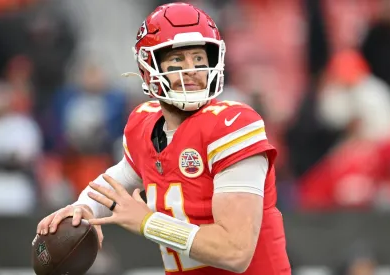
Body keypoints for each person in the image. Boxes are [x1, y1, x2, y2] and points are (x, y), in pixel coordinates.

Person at [36, 2, 291, 274]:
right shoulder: (144, 122)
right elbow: (119, 176)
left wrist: (149, 223)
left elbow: (235, 251)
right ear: (148, 67)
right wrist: (82, 209)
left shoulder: (232, 125)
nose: (191, 69)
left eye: (199, 59)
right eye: (178, 60)